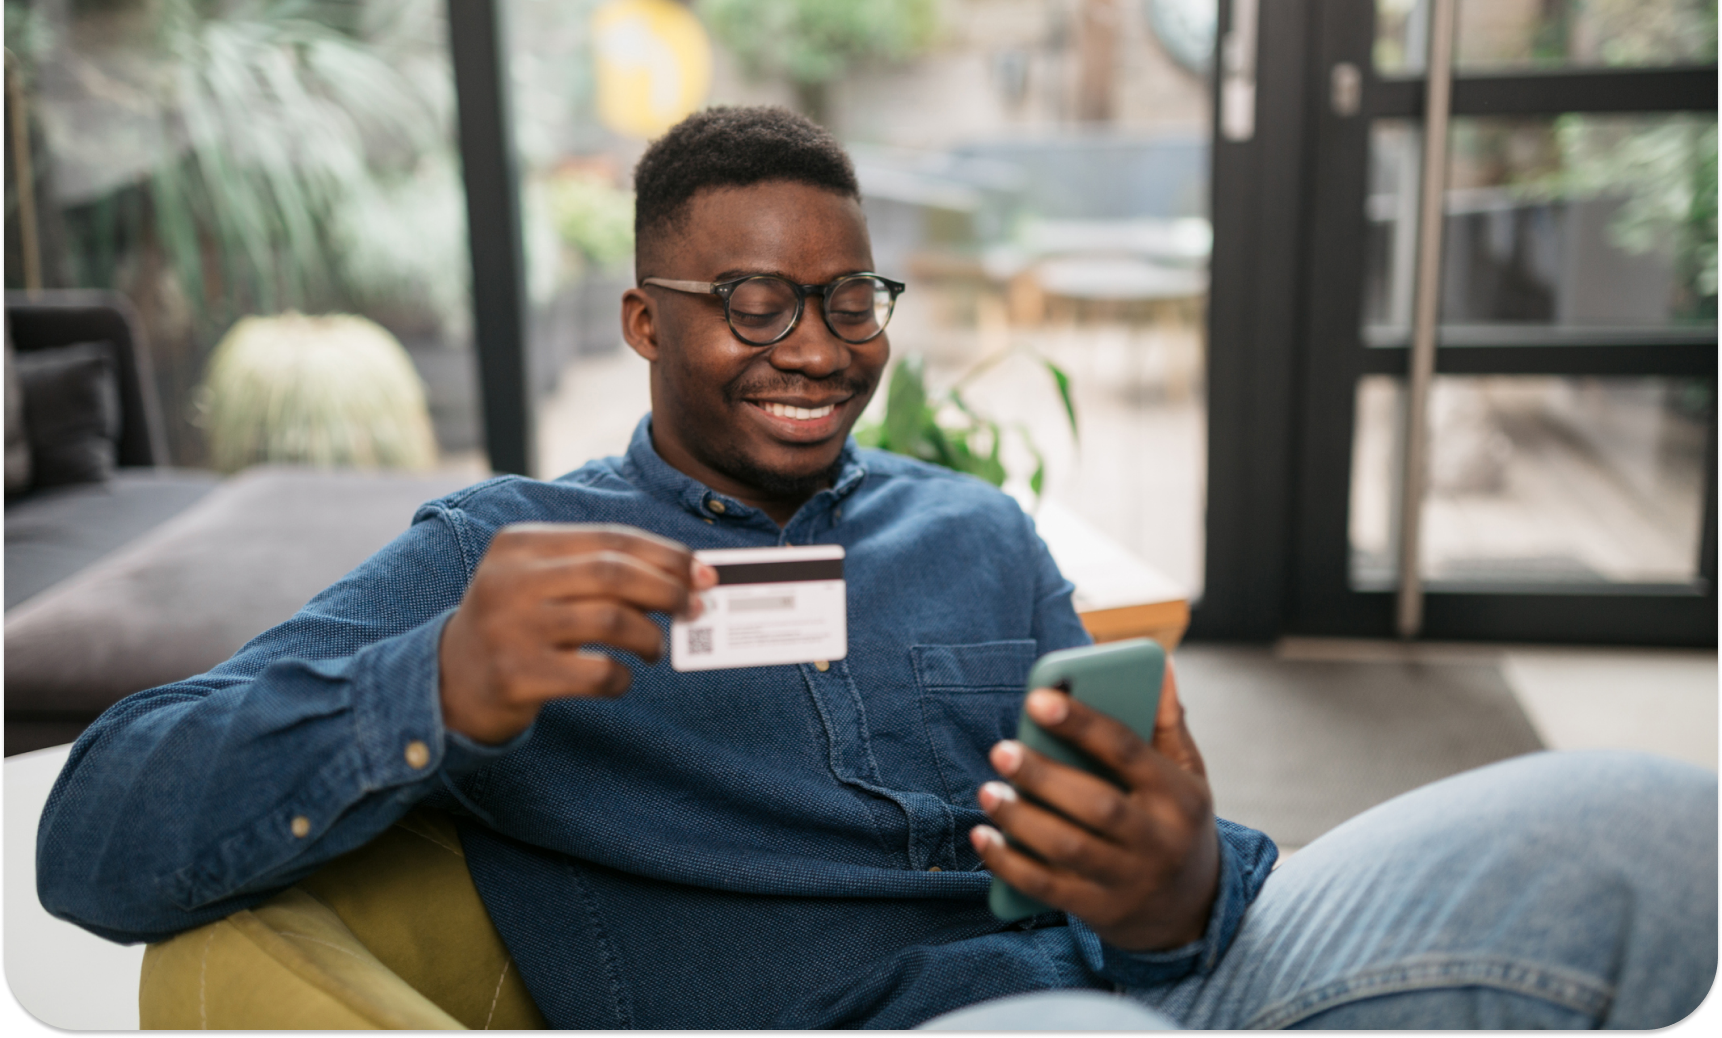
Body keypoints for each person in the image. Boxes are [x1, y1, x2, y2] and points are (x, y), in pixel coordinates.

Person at [38, 107, 1715, 1030]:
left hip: (1169, 981)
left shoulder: (973, 533)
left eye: (849, 300)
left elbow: (1157, 884)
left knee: (1646, 821)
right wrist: (430, 685)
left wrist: (1173, 887)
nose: (817, 346)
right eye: (753, 303)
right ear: (643, 322)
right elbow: (95, 845)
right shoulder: (500, 559)